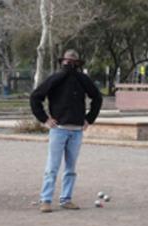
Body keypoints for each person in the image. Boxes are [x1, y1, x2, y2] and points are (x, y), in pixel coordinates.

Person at [30, 49, 102, 213]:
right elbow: (35, 97)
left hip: (77, 130)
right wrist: (45, 118)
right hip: (59, 129)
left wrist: (89, 118)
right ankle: (46, 200)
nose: (69, 64)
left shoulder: (83, 79)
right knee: (52, 167)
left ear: (77, 64)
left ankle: (66, 199)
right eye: (67, 61)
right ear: (62, 61)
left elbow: (97, 97)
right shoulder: (55, 79)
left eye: (73, 62)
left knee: (71, 168)